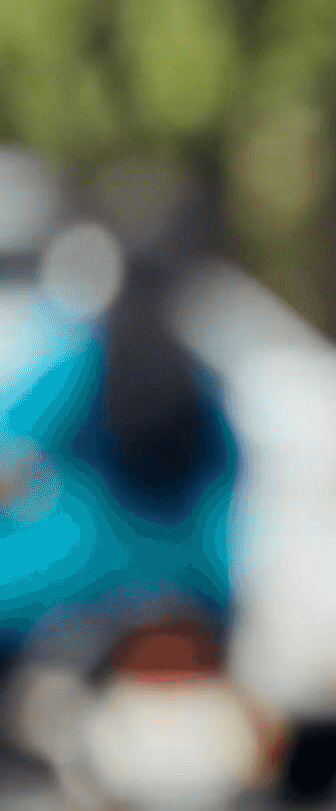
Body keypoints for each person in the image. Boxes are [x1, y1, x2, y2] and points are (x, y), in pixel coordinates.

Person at [0, 224, 235, 651]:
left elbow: (10, 446)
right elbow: (230, 484)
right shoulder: (203, 378)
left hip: (73, 581)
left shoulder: (81, 363)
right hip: (199, 592)